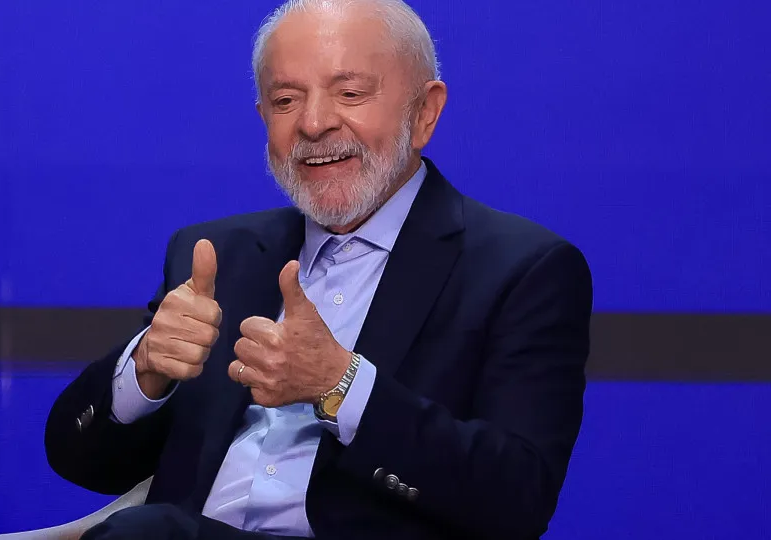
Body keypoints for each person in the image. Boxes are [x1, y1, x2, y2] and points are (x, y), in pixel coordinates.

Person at [44, 1, 593, 538]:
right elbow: (78, 459)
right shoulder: (219, 255)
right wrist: (145, 369)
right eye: (285, 100)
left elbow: (518, 500)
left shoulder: (522, 269)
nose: (313, 124)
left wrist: (340, 386)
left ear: (425, 112)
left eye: (350, 94)